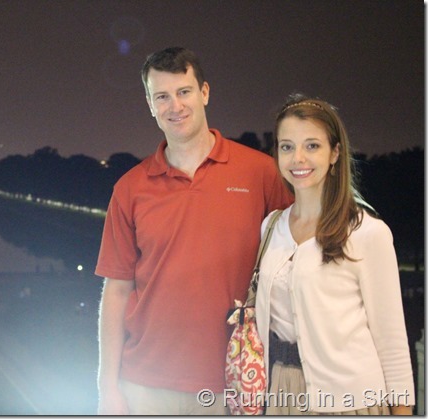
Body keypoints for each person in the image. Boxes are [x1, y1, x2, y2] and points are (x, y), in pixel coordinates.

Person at [94, 47, 293, 415]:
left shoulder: (260, 172)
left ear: (204, 92)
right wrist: (107, 388)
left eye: (184, 92)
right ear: (150, 105)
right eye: (162, 97)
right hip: (144, 385)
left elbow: (297, 265)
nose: (175, 106)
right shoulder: (129, 188)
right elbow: (117, 291)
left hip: (237, 380)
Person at [255, 94, 415, 415]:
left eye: (312, 146)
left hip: (351, 401)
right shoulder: (271, 228)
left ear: (335, 153)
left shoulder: (367, 233)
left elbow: (392, 342)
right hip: (281, 393)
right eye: (287, 146)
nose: (298, 158)